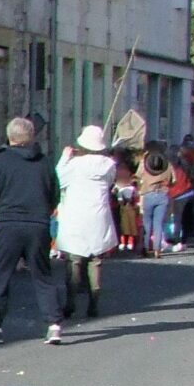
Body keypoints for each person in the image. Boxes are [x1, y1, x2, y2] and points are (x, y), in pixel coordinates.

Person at [0, 116, 62, 346]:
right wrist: (45, 211)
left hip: (9, 222)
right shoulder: (44, 162)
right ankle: (54, 324)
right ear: (32, 136)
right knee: (43, 275)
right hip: (38, 224)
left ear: (10, 137)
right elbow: (55, 193)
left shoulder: (0, 162)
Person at [56, 125, 122, 332]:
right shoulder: (109, 165)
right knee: (96, 260)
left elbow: (59, 179)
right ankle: (94, 301)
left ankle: (70, 302)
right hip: (98, 215)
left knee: (74, 260)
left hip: (77, 215)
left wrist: (65, 157)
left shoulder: (75, 165)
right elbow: (110, 182)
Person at [137, 148, 174, 258]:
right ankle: (157, 249)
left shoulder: (144, 164)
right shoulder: (168, 165)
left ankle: (146, 247)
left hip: (148, 194)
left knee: (147, 223)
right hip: (162, 194)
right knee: (158, 223)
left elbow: (137, 177)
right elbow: (174, 181)